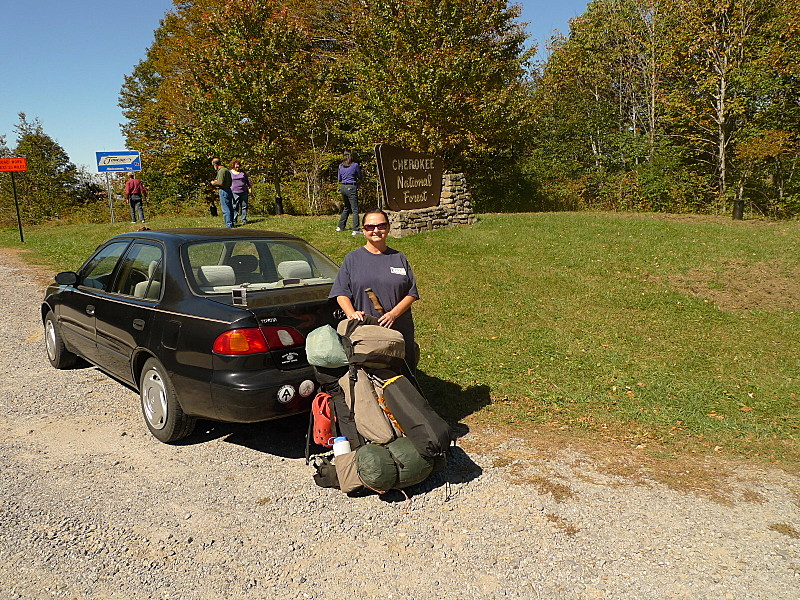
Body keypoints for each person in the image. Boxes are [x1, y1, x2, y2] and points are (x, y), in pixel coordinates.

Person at [330, 209, 419, 371]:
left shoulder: (398, 257)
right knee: (372, 373)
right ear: (363, 230)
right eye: (370, 227)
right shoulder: (353, 259)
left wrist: (393, 314)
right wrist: (351, 313)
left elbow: (411, 293)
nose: (376, 230)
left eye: (381, 226)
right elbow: (341, 292)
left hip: (399, 327)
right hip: (368, 331)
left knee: (403, 370)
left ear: (388, 228)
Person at [336, 150, 362, 236]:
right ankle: (356, 229)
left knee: (347, 207)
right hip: (351, 186)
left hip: (343, 187)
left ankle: (340, 226)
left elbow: (339, 178)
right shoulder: (355, 165)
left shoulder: (340, 166)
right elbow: (360, 176)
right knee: (355, 209)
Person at [210, 157, 234, 227]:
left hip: (224, 190)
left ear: (215, 164)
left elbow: (220, 183)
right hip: (228, 190)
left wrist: (213, 183)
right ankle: (231, 223)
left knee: (225, 208)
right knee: (230, 207)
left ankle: (228, 224)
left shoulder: (221, 171)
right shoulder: (226, 170)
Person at [229, 158, 251, 226]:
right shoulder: (230, 172)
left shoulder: (243, 172)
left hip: (243, 191)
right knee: (235, 206)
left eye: (238, 165)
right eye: (236, 165)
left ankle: (244, 219)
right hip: (234, 191)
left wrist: (250, 188)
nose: (237, 166)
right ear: (233, 165)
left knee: (244, 206)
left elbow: (247, 181)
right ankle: (234, 219)